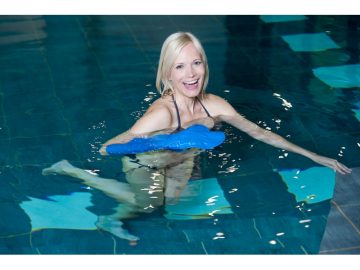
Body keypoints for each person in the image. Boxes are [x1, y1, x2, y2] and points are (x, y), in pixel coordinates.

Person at [42, 32, 352, 242]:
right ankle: (72, 170)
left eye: (196, 63)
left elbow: (260, 132)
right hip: (147, 160)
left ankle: (111, 218)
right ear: (167, 75)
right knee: (151, 205)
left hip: (182, 154)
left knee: (175, 199)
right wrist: (163, 140)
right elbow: (108, 147)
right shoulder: (161, 113)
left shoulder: (215, 105)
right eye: (180, 67)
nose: (190, 74)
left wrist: (314, 156)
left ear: (205, 65)